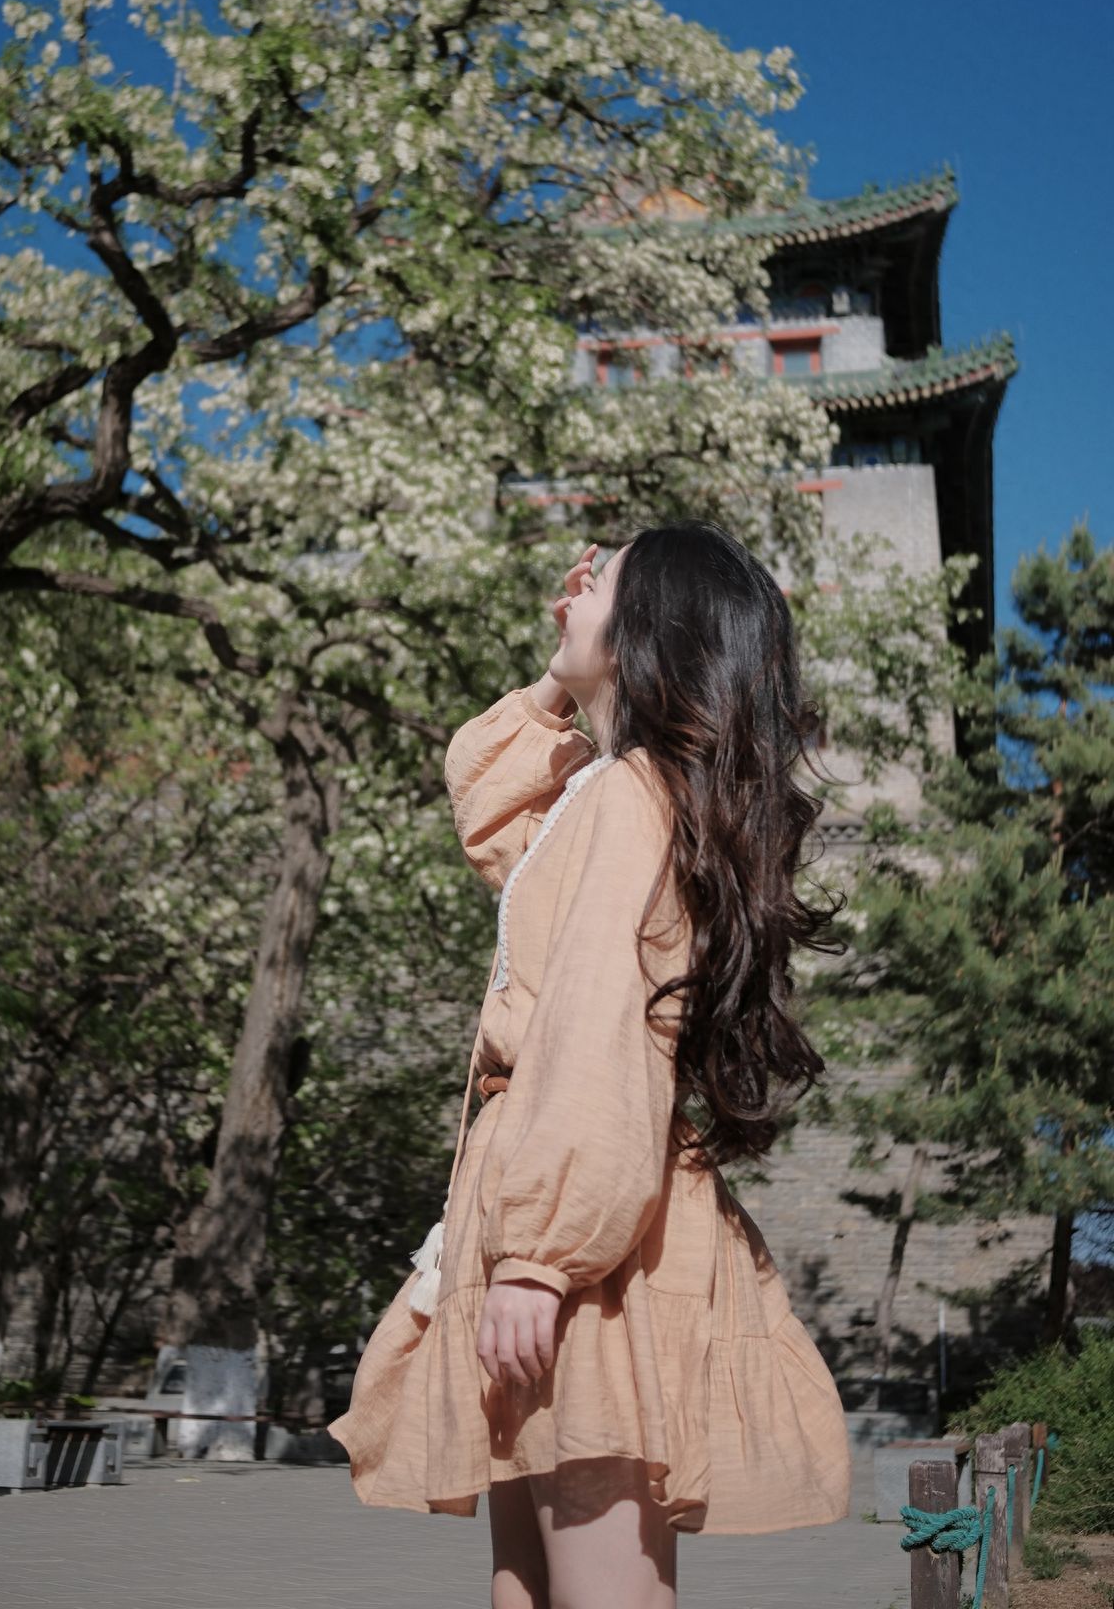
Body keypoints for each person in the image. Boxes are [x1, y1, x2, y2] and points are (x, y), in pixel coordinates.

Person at [327, 520, 852, 1609]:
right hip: (553, 1218)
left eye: (597, 584)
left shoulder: (628, 799)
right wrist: (564, 671)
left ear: (648, 630)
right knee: (528, 1590)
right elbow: (486, 796)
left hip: (582, 1242)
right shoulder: (605, 793)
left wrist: (539, 1259)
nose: (566, 592)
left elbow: (599, 1029)